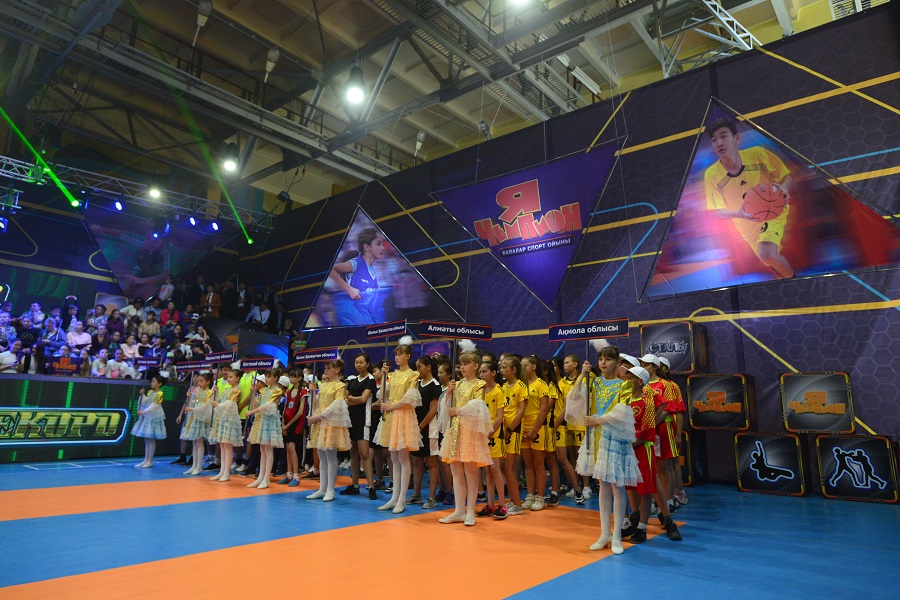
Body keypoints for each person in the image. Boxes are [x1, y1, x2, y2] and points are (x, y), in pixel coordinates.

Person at [704, 117, 795, 278]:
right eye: (714, 140)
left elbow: (786, 176)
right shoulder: (711, 175)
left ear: (736, 138)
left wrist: (784, 187)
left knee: (767, 254)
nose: (719, 143)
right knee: (771, 263)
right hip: (745, 224)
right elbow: (718, 211)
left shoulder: (757, 154)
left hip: (772, 211)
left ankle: (796, 281)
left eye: (724, 136)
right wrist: (738, 214)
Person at [619, 366, 682, 543]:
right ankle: (636, 521)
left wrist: (630, 442)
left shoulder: (647, 400)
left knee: (648, 487)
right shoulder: (625, 399)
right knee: (632, 486)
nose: (626, 379)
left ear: (640, 381)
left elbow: (647, 430)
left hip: (641, 448)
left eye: (630, 376)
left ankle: (648, 526)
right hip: (629, 448)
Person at [583, 372, 640, 555]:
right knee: (603, 485)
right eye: (601, 359)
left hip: (616, 437)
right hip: (599, 436)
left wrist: (596, 421)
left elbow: (621, 412)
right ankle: (604, 534)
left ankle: (616, 536)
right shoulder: (595, 381)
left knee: (618, 485)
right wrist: (582, 374)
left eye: (608, 359)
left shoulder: (625, 385)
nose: (603, 362)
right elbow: (576, 398)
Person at [438, 350, 491, 526]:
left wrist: (458, 411)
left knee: (470, 471)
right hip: (455, 430)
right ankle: (459, 510)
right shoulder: (457, 384)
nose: (462, 367)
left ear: (476, 366)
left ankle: (470, 511)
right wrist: (448, 393)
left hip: (470, 431)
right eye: (461, 364)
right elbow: (447, 409)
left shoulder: (480, 384)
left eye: (467, 364)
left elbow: (478, 407)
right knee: (456, 470)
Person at [374, 343, 421, 513]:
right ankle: (394, 497)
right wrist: (384, 377)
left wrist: (391, 407)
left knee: (403, 458)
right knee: (393, 457)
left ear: (408, 356)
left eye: (400, 354)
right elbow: (382, 395)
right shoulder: (392, 375)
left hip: (403, 416)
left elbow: (410, 399)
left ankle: (402, 499)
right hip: (391, 416)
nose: (397, 357)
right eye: (396, 354)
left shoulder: (413, 375)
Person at [306, 361, 351, 501]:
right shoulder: (323, 385)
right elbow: (316, 403)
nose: (325, 370)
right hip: (321, 422)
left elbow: (336, 406)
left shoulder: (340, 386)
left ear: (337, 369)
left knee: (331, 455)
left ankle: (330, 489)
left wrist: (318, 417)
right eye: (325, 368)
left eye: (329, 368)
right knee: (321, 455)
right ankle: (322, 488)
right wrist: (312, 392)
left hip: (331, 422)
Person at [328, 228, 386, 325]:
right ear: (366, 247)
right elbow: (330, 269)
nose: (383, 248)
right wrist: (349, 289)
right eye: (378, 244)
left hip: (369, 321)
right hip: (355, 321)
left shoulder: (373, 269)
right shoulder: (355, 263)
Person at [342, 354, 379, 499]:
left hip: (363, 420)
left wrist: (351, 398)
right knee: (353, 454)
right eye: (356, 362)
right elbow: (344, 400)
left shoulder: (370, 380)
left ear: (367, 364)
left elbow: (364, 399)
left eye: (361, 362)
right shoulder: (352, 381)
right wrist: (353, 400)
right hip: (350, 420)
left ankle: (371, 486)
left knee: (364, 454)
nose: (358, 365)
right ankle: (355, 485)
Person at [520, 354, 552, 512]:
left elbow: (544, 409)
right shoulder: (521, 385)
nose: (522, 368)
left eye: (525, 365)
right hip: (523, 427)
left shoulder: (541, 385)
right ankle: (530, 495)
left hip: (538, 428)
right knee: (528, 465)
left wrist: (534, 430)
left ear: (533, 367)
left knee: (539, 464)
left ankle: (540, 497)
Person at [477, 359, 507, 518]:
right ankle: (490, 505)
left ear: (493, 373)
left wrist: (488, 435)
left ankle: (503, 505)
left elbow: (499, 418)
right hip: (483, 435)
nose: (481, 375)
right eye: (480, 372)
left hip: (495, 435)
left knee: (495, 469)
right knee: (487, 470)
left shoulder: (498, 391)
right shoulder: (481, 391)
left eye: (484, 371)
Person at [411, 355, 441, 506]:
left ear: (428, 367)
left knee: (431, 463)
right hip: (416, 427)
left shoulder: (435, 385)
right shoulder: (417, 384)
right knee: (416, 461)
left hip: (429, 429)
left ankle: (432, 497)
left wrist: (421, 426)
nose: (418, 371)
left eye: (420, 367)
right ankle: (416, 495)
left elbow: (433, 409)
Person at [498, 356, 527, 517]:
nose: (501, 370)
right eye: (501, 367)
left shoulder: (521, 386)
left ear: (513, 370)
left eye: (504, 367)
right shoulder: (503, 386)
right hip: (503, 430)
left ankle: (518, 504)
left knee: (508, 467)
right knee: (505, 468)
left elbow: (521, 411)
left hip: (514, 431)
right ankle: (513, 501)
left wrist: (510, 428)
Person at [208, 369, 246, 483]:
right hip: (223, 418)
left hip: (230, 419)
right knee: (222, 445)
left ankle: (227, 472)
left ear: (237, 378)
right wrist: (216, 393)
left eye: (231, 377)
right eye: (228, 377)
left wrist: (217, 404)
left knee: (227, 445)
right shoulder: (227, 389)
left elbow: (229, 405)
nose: (228, 379)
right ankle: (222, 471)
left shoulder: (237, 390)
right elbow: (221, 401)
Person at [180, 372, 216, 476]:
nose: (199, 383)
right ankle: (194, 465)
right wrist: (189, 397)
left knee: (199, 442)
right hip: (195, 417)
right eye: (199, 381)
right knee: (195, 442)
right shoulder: (198, 392)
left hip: (202, 418)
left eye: (201, 381)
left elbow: (205, 406)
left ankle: (199, 466)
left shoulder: (210, 393)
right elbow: (193, 403)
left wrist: (193, 409)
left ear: (208, 382)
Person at [279, 369, 308, 488]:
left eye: (293, 377)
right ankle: (289, 474)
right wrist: (283, 423)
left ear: (299, 378)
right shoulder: (289, 391)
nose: (291, 379)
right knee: (287, 449)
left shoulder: (303, 392)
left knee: (292, 447)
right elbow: (285, 408)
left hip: (296, 423)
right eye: (290, 377)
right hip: (287, 421)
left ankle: (296, 475)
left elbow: (300, 412)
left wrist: (288, 424)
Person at [131, 375, 168, 468]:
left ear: (159, 384)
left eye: (154, 382)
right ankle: (145, 460)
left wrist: (142, 412)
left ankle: (150, 461)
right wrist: (142, 395)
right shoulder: (151, 392)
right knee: (146, 439)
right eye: (152, 381)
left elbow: (153, 406)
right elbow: (145, 402)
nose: (152, 383)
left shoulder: (160, 394)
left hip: (154, 417)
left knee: (151, 439)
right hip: (148, 416)